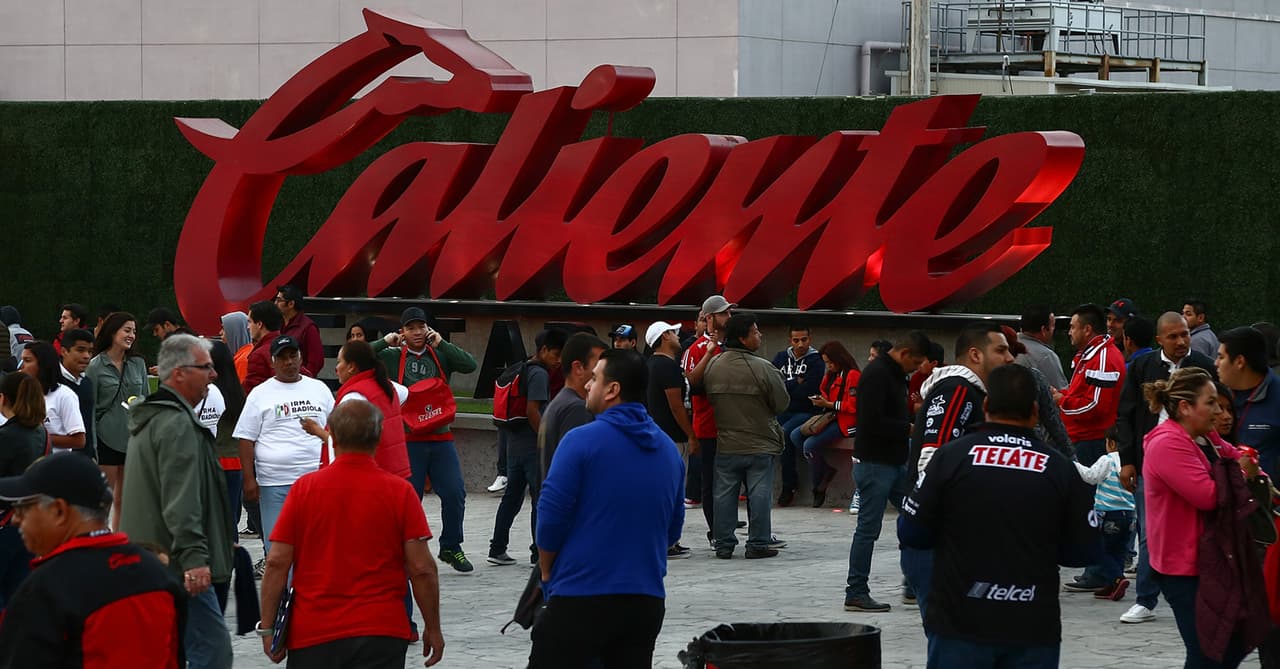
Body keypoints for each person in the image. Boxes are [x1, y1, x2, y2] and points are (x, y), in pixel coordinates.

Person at [898, 364, 1097, 668]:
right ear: (1034, 411)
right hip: (1031, 625)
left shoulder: (950, 458)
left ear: (987, 405)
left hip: (958, 623)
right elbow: (1084, 549)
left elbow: (911, 532)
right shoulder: (1059, 468)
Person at [259, 400, 444, 668]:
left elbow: (276, 562)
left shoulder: (304, 490)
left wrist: (268, 628)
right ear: (379, 436)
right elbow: (422, 568)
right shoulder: (399, 492)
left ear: (331, 435)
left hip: (314, 632)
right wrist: (433, 627)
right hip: (381, 631)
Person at [532, 349, 684, 668]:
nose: (588, 385)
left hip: (580, 597)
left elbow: (550, 515)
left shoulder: (580, 441)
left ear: (613, 389)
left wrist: (546, 570)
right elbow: (672, 529)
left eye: (596, 379)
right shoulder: (670, 451)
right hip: (645, 602)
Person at [0, 453, 186, 667]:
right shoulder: (156, 572)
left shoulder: (45, 588)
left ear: (59, 511)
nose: (15, 519)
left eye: (24, 508)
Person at [119, 333, 235, 669]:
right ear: (179, 373)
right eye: (206, 367)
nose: (213, 375)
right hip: (181, 564)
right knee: (212, 651)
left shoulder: (154, 418)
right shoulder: (177, 425)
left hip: (158, 560)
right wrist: (195, 558)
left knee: (173, 651)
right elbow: (180, 499)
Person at [1142, 367, 1263, 667]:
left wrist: (1245, 472)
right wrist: (1242, 474)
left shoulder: (1205, 437)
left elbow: (1245, 465)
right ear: (1185, 407)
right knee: (1208, 652)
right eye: (1211, 403)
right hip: (1182, 568)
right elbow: (1209, 496)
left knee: (1233, 642)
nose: (1218, 412)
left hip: (1213, 559)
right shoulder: (1167, 443)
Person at [902, 324, 1014, 616]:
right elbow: (933, 457)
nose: (1010, 358)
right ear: (976, 355)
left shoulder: (970, 393)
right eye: (1001, 350)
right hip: (942, 537)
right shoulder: (957, 391)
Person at [1113, 312, 1216, 620]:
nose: (1181, 341)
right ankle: (1146, 598)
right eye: (1173, 336)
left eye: (1184, 334)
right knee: (1149, 532)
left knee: (1199, 529)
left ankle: (1202, 596)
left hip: (1194, 461)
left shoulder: (1204, 366)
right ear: (1159, 339)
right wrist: (1127, 461)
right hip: (1152, 463)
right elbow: (1126, 415)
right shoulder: (1143, 368)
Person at [373, 306, 478, 573]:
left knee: (455, 493)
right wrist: (386, 341)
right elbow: (360, 356)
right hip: (409, 440)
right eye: (411, 328)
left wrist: (442, 342)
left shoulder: (440, 352)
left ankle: (451, 546)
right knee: (409, 498)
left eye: (421, 327)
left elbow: (470, 364)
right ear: (403, 331)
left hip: (441, 437)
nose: (417, 332)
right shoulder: (393, 357)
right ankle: (403, 550)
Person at [845, 330, 931, 613]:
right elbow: (871, 421)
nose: (916, 369)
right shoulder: (877, 374)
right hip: (874, 464)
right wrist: (908, 429)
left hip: (895, 462)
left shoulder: (895, 375)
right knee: (868, 530)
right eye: (915, 363)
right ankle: (856, 591)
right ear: (905, 354)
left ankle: (913, 585)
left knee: (915, 519)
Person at [234, 335, 334, 559]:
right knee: (277, 549)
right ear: (272, 362)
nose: (289, 362)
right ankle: (283, 593)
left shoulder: (319, 389)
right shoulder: (260, 394)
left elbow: (336, 430)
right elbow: (245, 439)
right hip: (273, 483)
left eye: (293, 356)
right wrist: (249, 480)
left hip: (316, 481)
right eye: (282, 358)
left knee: (315, 547)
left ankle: (306, 592)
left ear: (301, 358)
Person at [703, 313, 789, 560]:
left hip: (727, 442)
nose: (759, 335)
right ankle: (758, 543)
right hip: (760, 442)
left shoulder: (714, 366)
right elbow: (782, 403)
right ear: (743, 338)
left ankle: (723, 544)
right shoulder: (763, 368)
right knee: (760, 493)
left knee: (723, 496)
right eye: (755, 331)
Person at [487, 328, 564, 567]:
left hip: (515, 444)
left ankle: (497, 547)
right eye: (555, 354)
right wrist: (546, 441)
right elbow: (533, 410)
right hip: (532, 446)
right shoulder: (539, 374)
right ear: (543, 350)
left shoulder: (523, 367)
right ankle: (538, 552)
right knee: (540, 499)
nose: (558, 360)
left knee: (512, 498)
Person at [303, 340, 411, 478]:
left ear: (351, 367)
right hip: (394, 471)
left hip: (367, 477)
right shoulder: (387, 385)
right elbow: (405, 393)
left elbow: (343, 446)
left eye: (339, 362)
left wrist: (316, 430)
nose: (336, 368)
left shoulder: (354, 397)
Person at [87, 312, 149, 529]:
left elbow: (145, 400)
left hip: (133, 438)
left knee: (127, 500)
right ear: (112, 331)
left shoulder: (138, 363)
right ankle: (100, 540)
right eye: (127, 330)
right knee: (105, 498)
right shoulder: (95, 366)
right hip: (106, 439)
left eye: (133, 331)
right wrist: (91, 444)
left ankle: (121, 542)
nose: (131, 335)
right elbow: (90, 407)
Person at [683, 295, 734, 546]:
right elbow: (691, 384)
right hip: (707, 427)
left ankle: (728, 526)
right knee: (711, 482)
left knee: (730, 481)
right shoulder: (697, 348)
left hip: (731, 425)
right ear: (710, 318)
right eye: (724, 313)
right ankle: (716, 532)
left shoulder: (731, 346)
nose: (729, 318)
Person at [643, 322, 697, 556]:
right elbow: (676, 407)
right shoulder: (668, 367)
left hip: (656, 434)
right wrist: (691, 435)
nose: (678, 336)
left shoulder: (651, 365)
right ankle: (666, 541)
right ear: (664, 336)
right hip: (672, 437)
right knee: (672, 490)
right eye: (673, 333)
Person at [789, 341, 859, 509]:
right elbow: (824, 393)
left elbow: (853, 406)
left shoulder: (852, 375)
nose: (828, 366)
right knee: (795, 435)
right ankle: (825, 470)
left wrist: (829, 404)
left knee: (809, 445)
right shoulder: (830, 375)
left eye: (829, 362)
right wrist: (820, 401)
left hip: (846, 421)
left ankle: (818, 485)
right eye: (826, 362)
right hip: (829, 416)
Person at [1059, 304, 1125, 467]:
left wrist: (1061, 401)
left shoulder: (1103, 358)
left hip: (1091, 443)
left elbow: (1095, 406)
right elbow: (1081, 392)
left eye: (1072, 327)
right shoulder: (1091, 354)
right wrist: (1063, 393)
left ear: (1087, 329)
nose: (1069, 332)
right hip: (1084, 441)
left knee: (1085, 492)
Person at [0, 372, 46, 605]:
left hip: (5, 521)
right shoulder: (42, 433)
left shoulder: (7, 436)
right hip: (31, 520)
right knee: (18, 590)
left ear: (3, 399)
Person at [1073, 436, 1135, 601]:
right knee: (1119, 551)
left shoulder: (1107, 460)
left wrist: (1074, 464)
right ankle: (1112, 584)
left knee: (1100, 550)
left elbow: (1091, 477)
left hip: (1109, 514)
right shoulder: (1133, 462)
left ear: (1111, 443)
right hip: (1129, 515)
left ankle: (1117, 579)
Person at [1000, 325, 1073, 460]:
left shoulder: (1033, 377)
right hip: (1033, 454)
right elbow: (1055, 424)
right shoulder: (1036, 373)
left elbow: (1054, 423)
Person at [772, 323, 824, 507]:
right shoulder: (780, 357)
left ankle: (789, 486)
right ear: (790, 340)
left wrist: (787, 385)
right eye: (796, 340)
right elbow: (772, 385)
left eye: (804, 340)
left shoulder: (816, 360)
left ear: (810, 339)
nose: (800, 344)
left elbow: (809, 391)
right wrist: (796, 382)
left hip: (806, 412)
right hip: (782, 410)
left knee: (785, 433)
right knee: (765, 430)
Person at [1218, 326, 1280, 479]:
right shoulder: (1216, 396)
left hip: (1267, 499)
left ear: (1239, 362)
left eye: (1221, 357)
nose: (1215, 363)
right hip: (1223, 494)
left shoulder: (1276, 396)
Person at [545, 332, 609, 474]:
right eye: (598, 365)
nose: (604, 372)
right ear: (578, 368)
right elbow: (575, 468)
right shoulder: (577, 409)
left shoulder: (560, 402)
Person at [19, 342, 86, 454]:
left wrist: (38, 438)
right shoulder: (22, 392)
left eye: (28, 361)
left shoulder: (64, 395)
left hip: (55, 465)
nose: (21, 366)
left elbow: (79, 441)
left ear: (43, 364)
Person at [58, 328, 96, 461]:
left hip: (84, 458)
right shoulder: (52, 383)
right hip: (57, 459)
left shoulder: (87, 383)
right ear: (64, 351)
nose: (86, 356)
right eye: (80, 350)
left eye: (90, 351)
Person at [274, 284, 324, 377]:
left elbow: (316, 361)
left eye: (279, 300)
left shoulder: (308, 327)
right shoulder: (278, 324)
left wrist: (303, 380)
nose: (275, 303)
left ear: (291, 304)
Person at [1016, 305, 1067, 389]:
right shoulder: (1046, 356)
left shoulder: (1006, 344)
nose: (1054, 329)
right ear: (1043, 330)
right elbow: (1060, 394)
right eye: (1053, 326)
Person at [243, 300, 283, 394]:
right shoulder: (289, 347)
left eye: (250, 322)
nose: (248, 327)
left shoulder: (259, 355)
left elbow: (252, 391)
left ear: (259, 324)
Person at [907, 342, 945, 416]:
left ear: (934, 363)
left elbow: (945, 407)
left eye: (922, 361)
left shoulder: (949, 376)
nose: (918, 364)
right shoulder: (917, 377)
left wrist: (923, 403)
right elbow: (912, 407)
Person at [221, 311, 252, 383]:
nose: (220, 333)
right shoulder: (244, 355)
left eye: (224, 329)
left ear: (234, 331)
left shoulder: (243, 360)